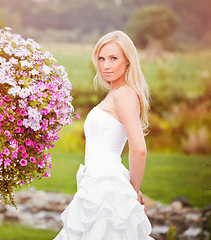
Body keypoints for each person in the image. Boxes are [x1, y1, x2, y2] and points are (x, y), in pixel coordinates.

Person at [54, 30, 154, 239]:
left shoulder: (124, 94)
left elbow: (139, 148)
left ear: (127, 61)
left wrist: (132, 192)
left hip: (107, 185)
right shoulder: (116, 93)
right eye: (101, 58)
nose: (106, 65)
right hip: (97, 181)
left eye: (113, 58)